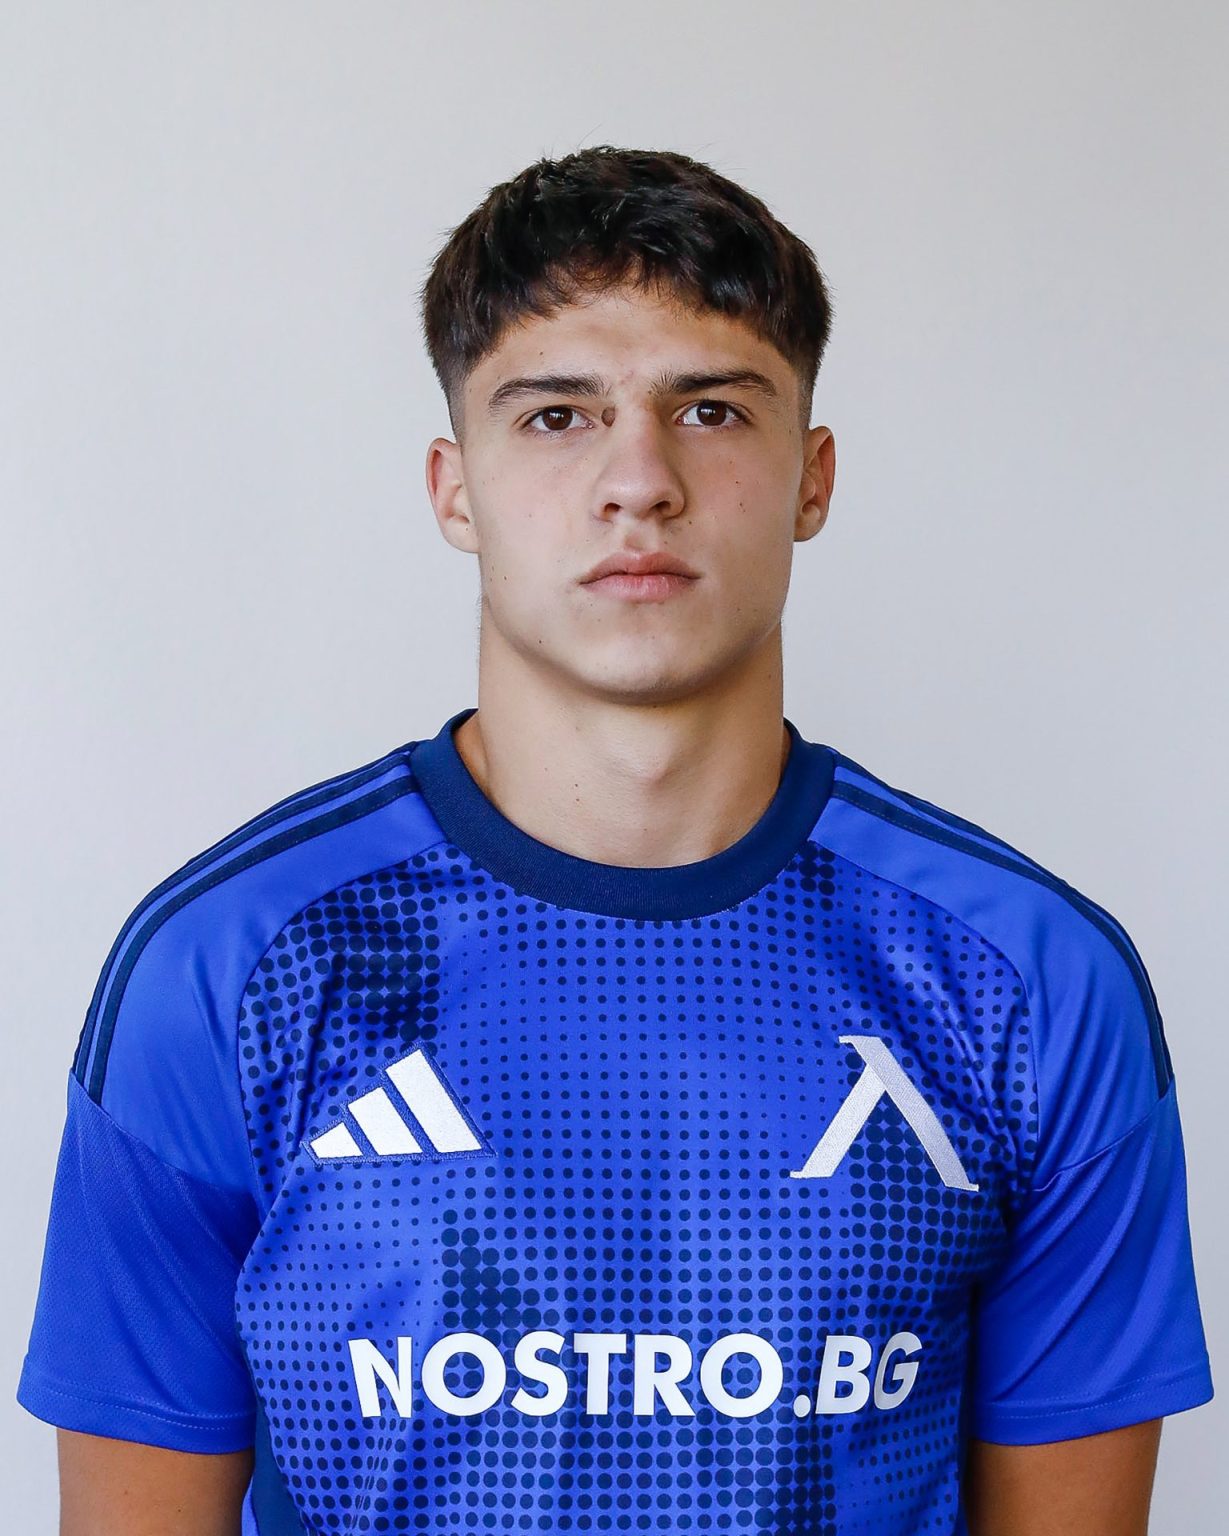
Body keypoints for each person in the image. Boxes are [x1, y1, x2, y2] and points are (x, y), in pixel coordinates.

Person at [16, 144, 1213, 1536]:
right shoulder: (229, 966)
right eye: (554, 416)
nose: (638, 480)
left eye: (710, 410)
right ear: (453, 489)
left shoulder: (1030, 980)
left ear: (812, 477)